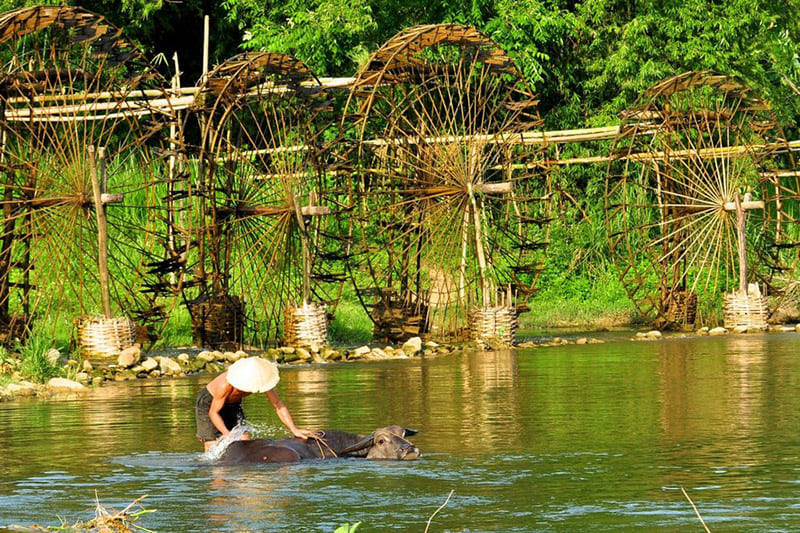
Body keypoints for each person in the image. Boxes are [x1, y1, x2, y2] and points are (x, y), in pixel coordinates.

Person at [195, 356, 315, 451]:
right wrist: (227, 434)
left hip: (233, 404)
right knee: (212, 445)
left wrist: (294, 429)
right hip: (209, 404)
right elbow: (213, 412)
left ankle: (242, 478)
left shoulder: (262, 380)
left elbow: (278, 404)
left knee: (244, 440)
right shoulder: (225, 385)